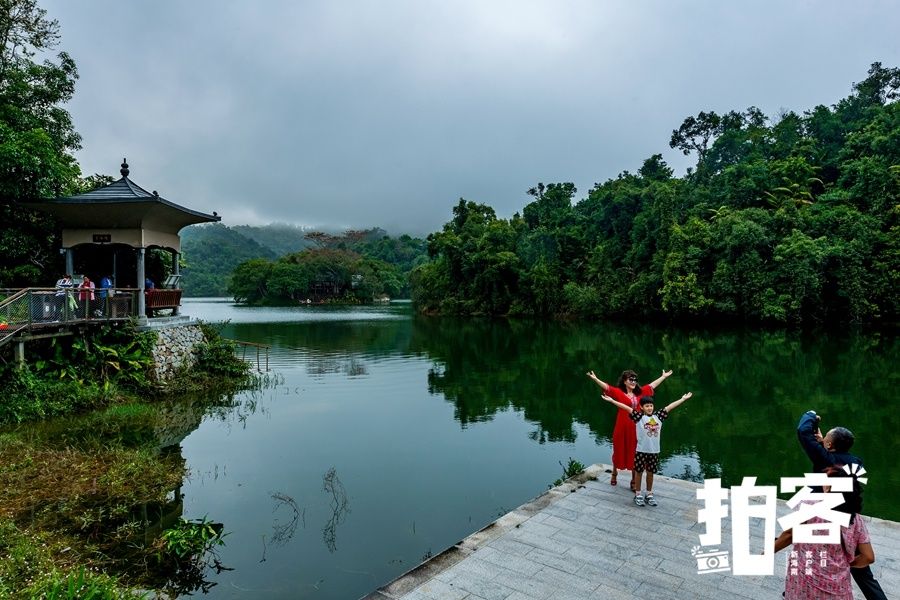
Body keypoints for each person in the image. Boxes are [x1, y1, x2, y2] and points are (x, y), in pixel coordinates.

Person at [796, 411, 886, 600]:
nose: (822, 440)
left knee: (810, 557)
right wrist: (823, 443)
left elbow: (802, 432)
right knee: (863, 573)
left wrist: (811, 415)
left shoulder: (825, 459)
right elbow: (836, 457)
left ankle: (794, 591)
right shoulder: (855, 462)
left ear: (830, 445)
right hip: (849, 519)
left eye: (825, 439)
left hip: (824, 517)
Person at [775, 465, 875, 599]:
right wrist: (845, 565)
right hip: (838, 588)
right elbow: (868, 557)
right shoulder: (856, 520)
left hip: (804, 581)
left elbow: (789, 535)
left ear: (829, 488)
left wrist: (768, 550)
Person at [599, 391, 692, 506]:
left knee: (650, 473)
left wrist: (682, 399)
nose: (649, 408)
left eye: (651, 406)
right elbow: (627, 408)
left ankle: (649, 494)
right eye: (647, 406)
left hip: (654, 452)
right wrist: (613, 401)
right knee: (638, 472)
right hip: (641, 451)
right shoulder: (639, 417)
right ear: (642, 407)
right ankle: (638, 494)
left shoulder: (658, 417)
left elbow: (670, 407)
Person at [587, 369, 673, 490]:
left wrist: (663, 377)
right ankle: (614, 473)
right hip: (621, 426)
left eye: (635, 379)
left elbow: (652, 385)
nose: (633, 382)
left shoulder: (640, 392)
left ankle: (633, 481)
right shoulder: (619, 392)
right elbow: (607, 387)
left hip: (637, 427)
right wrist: (595, 379)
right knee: (618, 449)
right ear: (624, 381)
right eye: (630, 379)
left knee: (635, 451)